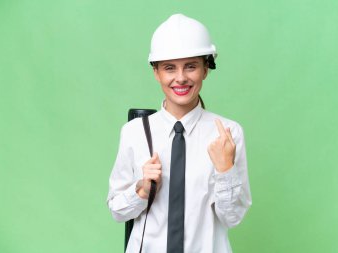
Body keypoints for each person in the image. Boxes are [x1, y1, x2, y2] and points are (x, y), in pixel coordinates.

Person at [107, 13, 252, 253]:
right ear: (156, 73)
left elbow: (232, 218)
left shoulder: (228, 134)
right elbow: (117, 211)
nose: (181, 78)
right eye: (169, 68)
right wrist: (141, 189)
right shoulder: (135, 132)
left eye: (191, 66)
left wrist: (225, 169)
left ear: (206, 69)